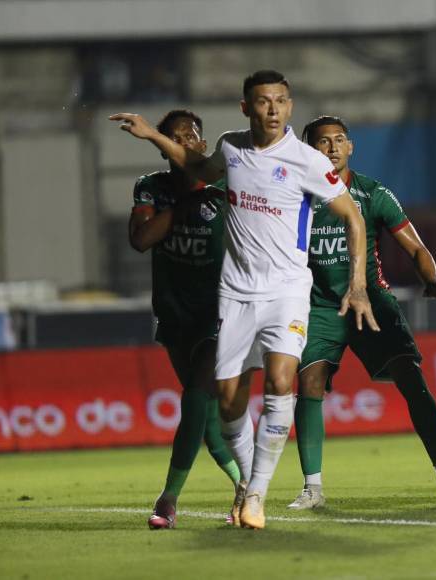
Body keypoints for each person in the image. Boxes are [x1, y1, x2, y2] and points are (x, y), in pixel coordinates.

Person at [110, 70, 376, 530]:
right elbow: (198, 169)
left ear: (290, 107)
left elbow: (353, 216)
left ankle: (255, 495)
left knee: (280, 381)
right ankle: (247, 484)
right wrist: (152, 135)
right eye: (262, 101)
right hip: (235, 294)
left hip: (288, 292)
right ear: (245, 108)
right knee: (230, 403)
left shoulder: (308, 161)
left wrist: (358, 285)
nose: (272, 109)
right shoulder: (231, 148)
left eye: (280, 101)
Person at [287, 116, 436, 510]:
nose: (333, 147)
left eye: (339, 140)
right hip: (318, 305)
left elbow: (416, 247)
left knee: (412, 379)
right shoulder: (295, 195)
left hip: (370, 300)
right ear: (308, 150)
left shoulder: (373, 193)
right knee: (309, 383)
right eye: (323, 141)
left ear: (351, 147)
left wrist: (432, 279)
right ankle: (312, 488)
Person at [129, 109, 247, 529]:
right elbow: (141, 239)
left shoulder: (226, 187)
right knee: (207, 423)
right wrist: (184, 204)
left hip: (222, 313)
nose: (184, 141)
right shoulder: (152, 188)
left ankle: (167, 499)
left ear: (202, 144)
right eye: (174, 136)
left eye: (191, 135)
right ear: (163, 148)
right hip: (175, 315)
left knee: (196, 398)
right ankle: (244, 485)